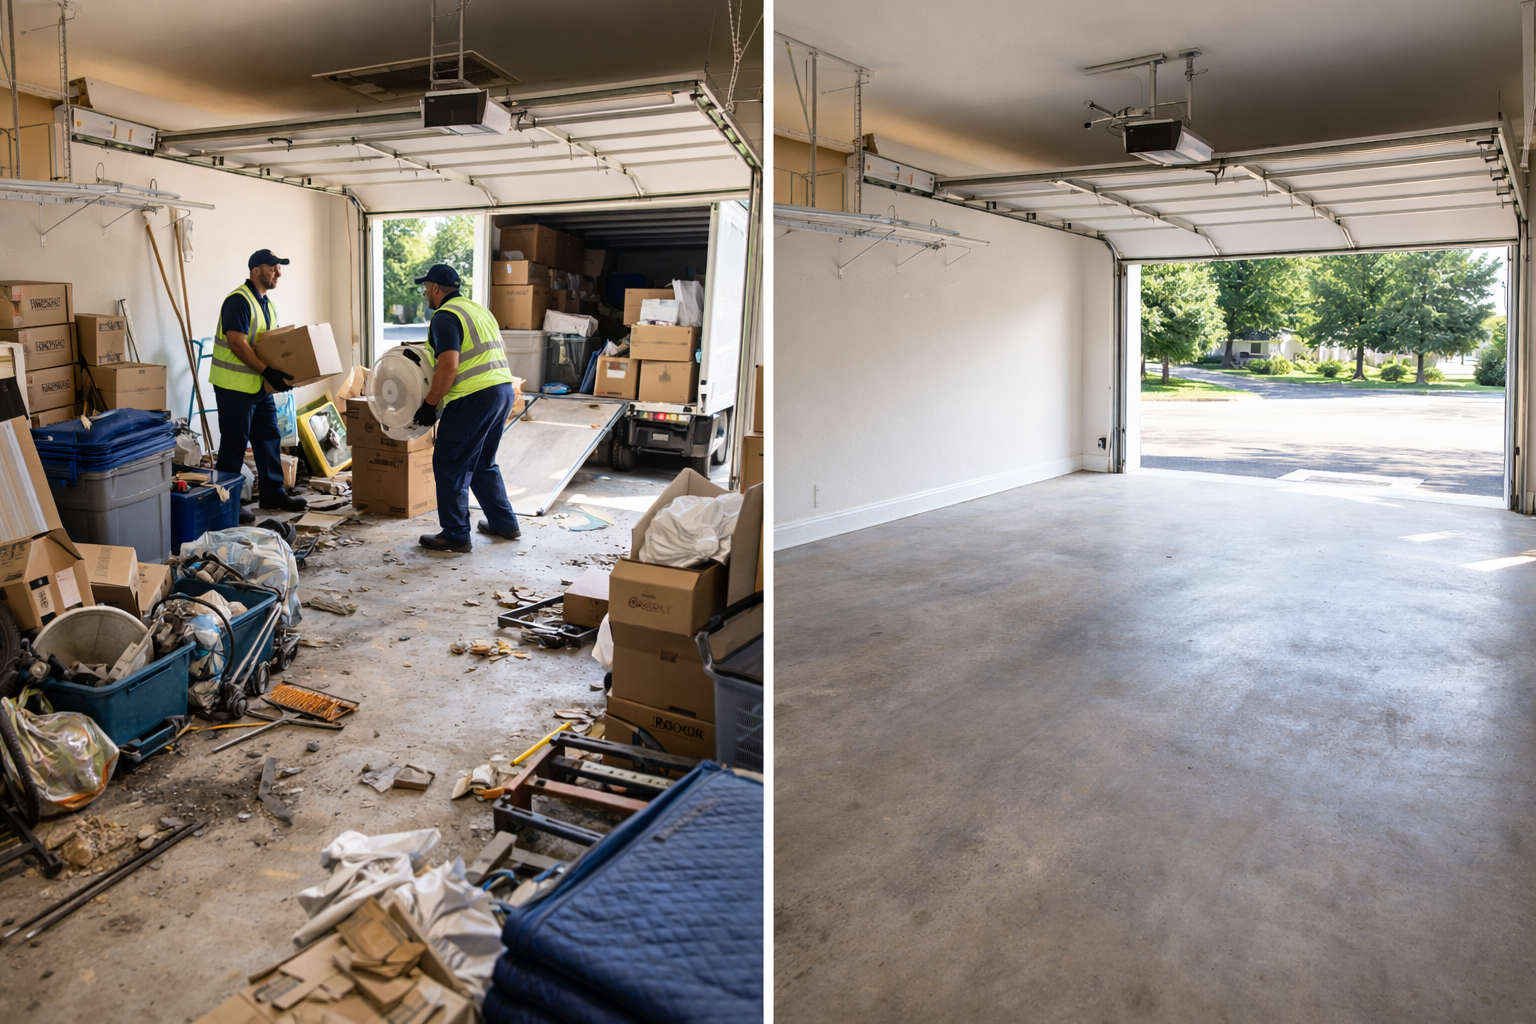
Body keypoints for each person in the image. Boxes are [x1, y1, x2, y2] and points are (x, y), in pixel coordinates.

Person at [412, 263, 522, 552]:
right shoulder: (479, 311)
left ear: (436, 288)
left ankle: (456, 534)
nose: (425, 293)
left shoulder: (444, 316)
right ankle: (504, 523)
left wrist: (429, 405)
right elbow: (501, 352)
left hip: (473, 399)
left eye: (426, 288)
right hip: (502, 391)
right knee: (483, 462)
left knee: (449, 464)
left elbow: (448, 366)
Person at [210, 249, 307, 516]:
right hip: (234, 387)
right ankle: (227, 503)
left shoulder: (266, 304)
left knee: (268, 438)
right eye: (273, 267)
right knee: (234, 444)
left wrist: (279, 373)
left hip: (258, 387)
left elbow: (267, 346)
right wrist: (268, 372)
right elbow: (237, 344)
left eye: (279, 267)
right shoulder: (239, 300)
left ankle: (272, 494)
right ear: (256, 270)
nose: (279, 272)